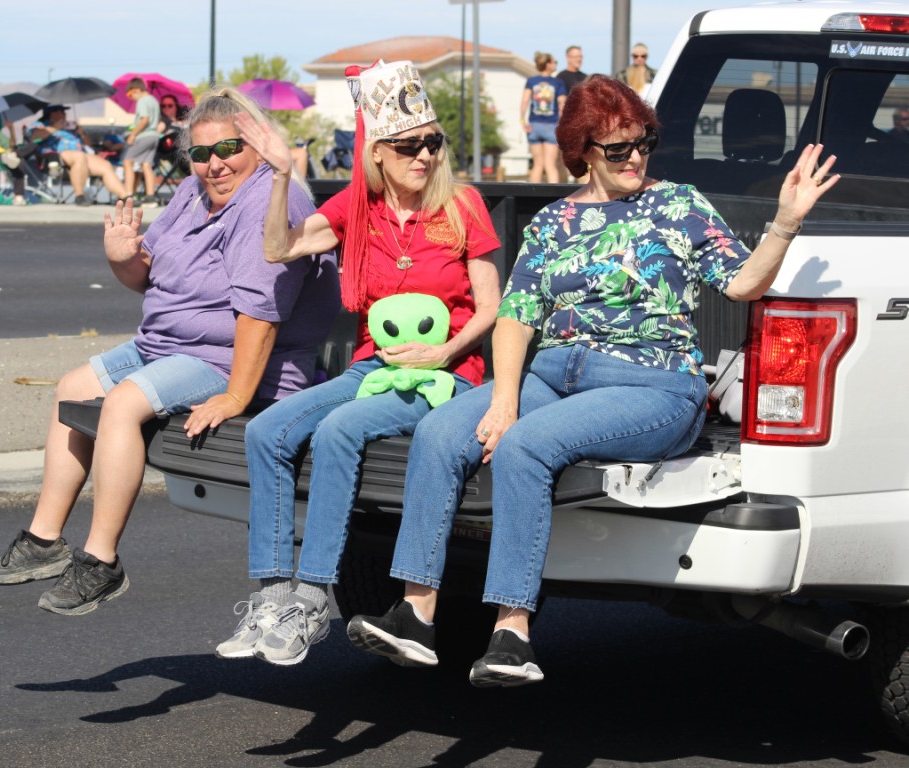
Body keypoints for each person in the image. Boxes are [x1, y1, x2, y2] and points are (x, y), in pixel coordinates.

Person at [346, 74, 840, 686]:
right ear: (583, 151)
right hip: (555, 373)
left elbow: (741, 284)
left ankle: (512, 635)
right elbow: (516, 319)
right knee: (444, 431)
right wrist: (502, 400)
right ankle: (416, 614)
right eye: (618, 149)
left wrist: (785, 224)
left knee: (526, 446)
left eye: (644, 143)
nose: (635, 158)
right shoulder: (553, 223)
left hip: (653, 385)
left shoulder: (678, 205)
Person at [0, 88, 340, 616]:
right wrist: (122, 260)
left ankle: (100, 562)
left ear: (258, 146)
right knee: (72, 389)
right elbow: (155, 280)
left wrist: (237, 396)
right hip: (168, 346)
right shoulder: (193, 195)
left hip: (230, 359)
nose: (213, 164)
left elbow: (259, 316)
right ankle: (43, 541)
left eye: (228, 148)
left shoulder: (267, 201)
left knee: (122, 403)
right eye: (200, 153)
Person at [216, 59, 502, 666]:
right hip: (372, 369)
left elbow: (492, 308)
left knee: (341, 429)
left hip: (441, 375)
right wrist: (281, 176)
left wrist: (444, 350)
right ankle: (274, 597)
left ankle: (314, 594)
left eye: (431, 143)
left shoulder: (463, 206)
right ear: (377, 152)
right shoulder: (358, 208)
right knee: (269, 431)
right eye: (407, 146)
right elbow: (278, 247)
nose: (422, 156)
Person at [25, 104, 127, 205]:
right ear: (53, 113)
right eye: (62, 112)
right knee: (79, 157)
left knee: (105, 165)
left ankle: (124, 197)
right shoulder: (40, 125)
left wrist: (81, 132)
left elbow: (89, 144)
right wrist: (55, 127)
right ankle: (79, 196)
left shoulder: (69, 126)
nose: (65, 114)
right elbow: (34, 138)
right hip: (54, 155)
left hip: (80, 154)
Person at [521, 51, 567, 183]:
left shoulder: (531, 81)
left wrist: (523, 120)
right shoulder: (558, 83)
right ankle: (552, 199)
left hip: (534, 124)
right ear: (548, 64)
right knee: (550, 166)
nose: (556, 64)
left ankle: (532, 196)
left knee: (537, 165)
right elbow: (562, 104)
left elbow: (524, 101)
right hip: (551, 126)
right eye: (554, 62)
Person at [122, 77, 162, 206]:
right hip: (154, 135)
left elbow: (144, 119)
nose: (131, 97)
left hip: (144, 135)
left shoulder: (142, 101)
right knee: (146, 165)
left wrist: (133, 134)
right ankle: (150, 196)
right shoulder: (154, 101)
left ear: (137, 90)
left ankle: (129, 194)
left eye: (130, 94)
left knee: (128, 161)